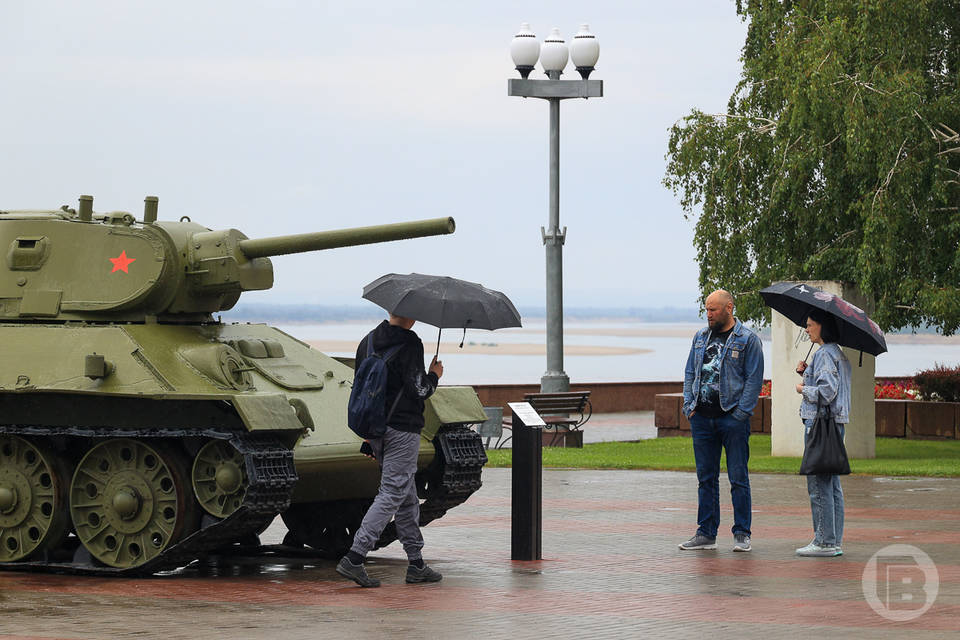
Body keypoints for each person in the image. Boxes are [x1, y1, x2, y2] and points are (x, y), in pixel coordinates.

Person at [336, 313, 444, 587]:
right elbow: (419, 389)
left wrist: (370, 435)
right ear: (413, 317)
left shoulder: (368, 341)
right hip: (403, 429)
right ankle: (355, 557)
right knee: (393, 492)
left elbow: (362, 387)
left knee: (407, 496)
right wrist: (435, 374)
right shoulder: (410, 343)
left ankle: (416, 563)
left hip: (376, 429)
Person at [680, 289, 764, 552]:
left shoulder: (747, 339)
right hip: (702, 419)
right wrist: (688, 405)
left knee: (738, 477)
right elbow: (690, 371)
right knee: (706, 478)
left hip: (732, 419)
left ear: (729, 307)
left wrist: (741, 414)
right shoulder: (700, 337)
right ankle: (706, 533)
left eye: (713, 309)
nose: (708, 315)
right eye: (706, 309)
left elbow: (754, 379)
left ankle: (742, 533)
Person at [794, 308, 851, 557]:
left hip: (820, 425)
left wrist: (802, 387)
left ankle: (824, 542)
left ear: (822, 326)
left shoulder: (825, 355)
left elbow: (827, 392)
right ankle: (833, 540)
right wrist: (807, 372)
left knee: (819, 483)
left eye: (809, 325)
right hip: (834, 425)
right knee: (831, 484)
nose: (806, 329)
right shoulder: (837, 354)